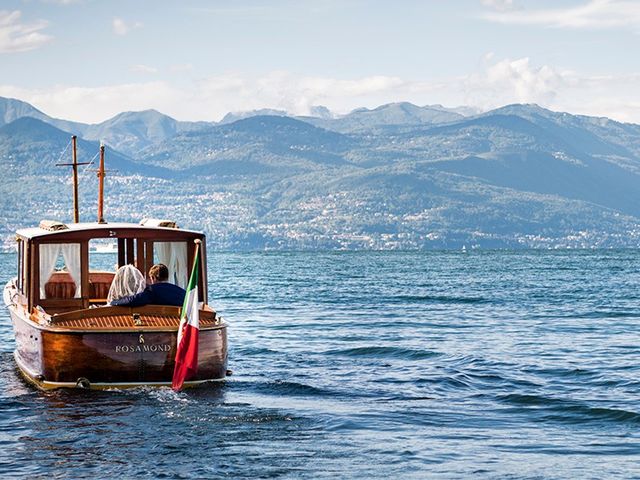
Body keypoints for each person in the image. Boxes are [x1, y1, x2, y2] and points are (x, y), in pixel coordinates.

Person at [111, 263, 186, 307]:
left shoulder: (152, 291)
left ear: (153, 278)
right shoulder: (181, 291)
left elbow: (132, 301)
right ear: (167, 277)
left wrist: (114, 302)